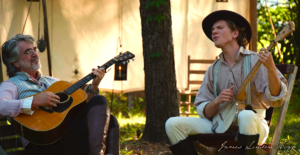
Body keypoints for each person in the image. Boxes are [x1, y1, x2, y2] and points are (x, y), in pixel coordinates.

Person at [165, 10, 288, 155]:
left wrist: (271, 68)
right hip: (220, 123)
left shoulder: (256, 60)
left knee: (245, 116)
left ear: (235, 33)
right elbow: (204, 111)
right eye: (212, 30)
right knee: (172, 124)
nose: (214, 32)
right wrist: (217, 101)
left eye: (220, 28)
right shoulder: (213, 69)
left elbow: (277, 98)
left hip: (253, 125)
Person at [0, 34, 119, 155]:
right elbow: (1, 106)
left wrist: (94, 86)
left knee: (104, 109)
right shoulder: (11, 84)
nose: (35, 54)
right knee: (106, 124)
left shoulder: (54, 81)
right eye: (28, 52)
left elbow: (80, 107)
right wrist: (34, 101)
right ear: (16, 62)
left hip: (67, 135)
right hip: (42, 143)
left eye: (34, 50)